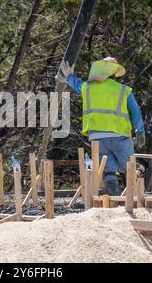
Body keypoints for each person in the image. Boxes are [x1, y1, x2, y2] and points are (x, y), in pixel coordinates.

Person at [56, 57, 145, 195]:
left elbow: (78, 84)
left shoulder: (88, 88)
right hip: (120, 135)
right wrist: (140, 131)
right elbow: (135, 112)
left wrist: (68, 76)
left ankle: (115, 198)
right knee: (130, 168)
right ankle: (134, 198)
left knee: (108, 171)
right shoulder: (123, 90)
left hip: (97, 138)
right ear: (114, 73)